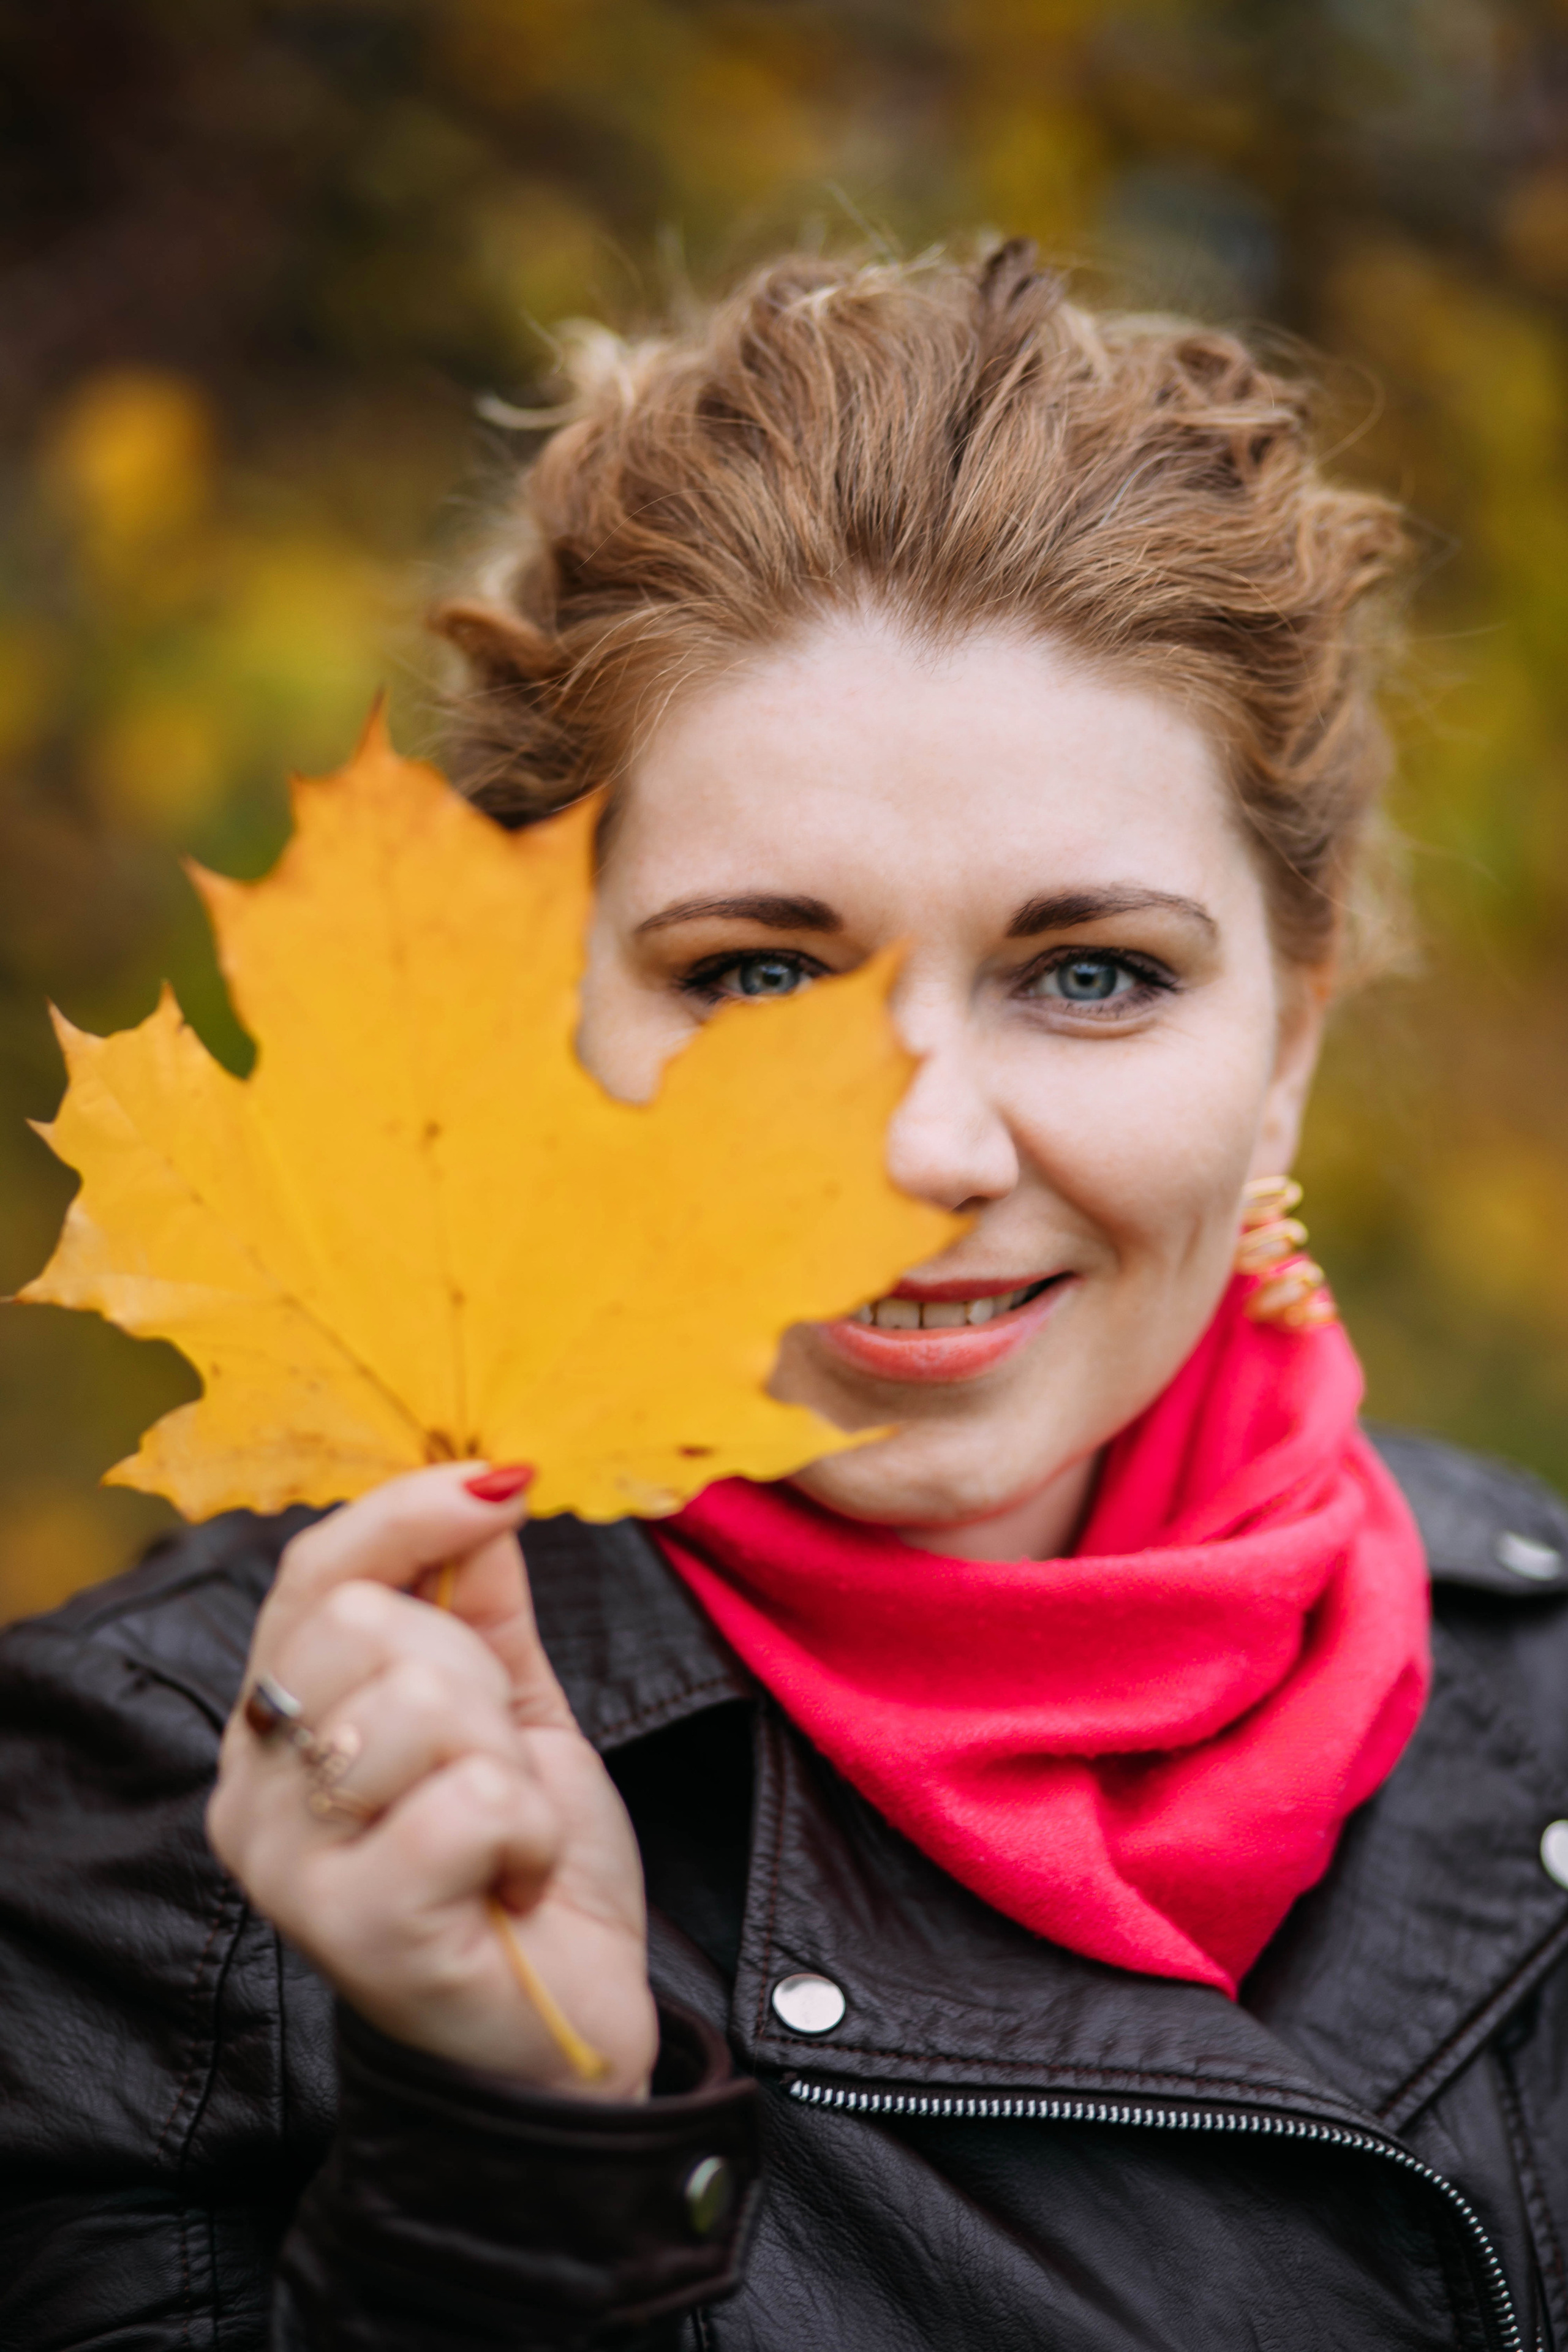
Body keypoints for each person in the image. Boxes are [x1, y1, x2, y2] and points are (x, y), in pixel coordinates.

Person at [2, 241, 1567, 2352]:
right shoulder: (194, 1805)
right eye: (756, 978)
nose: (923, 1151)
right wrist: (501, 2164)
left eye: (1089, 973)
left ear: (1286, 1039)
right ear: (538, 1028)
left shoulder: (1544, 1683)